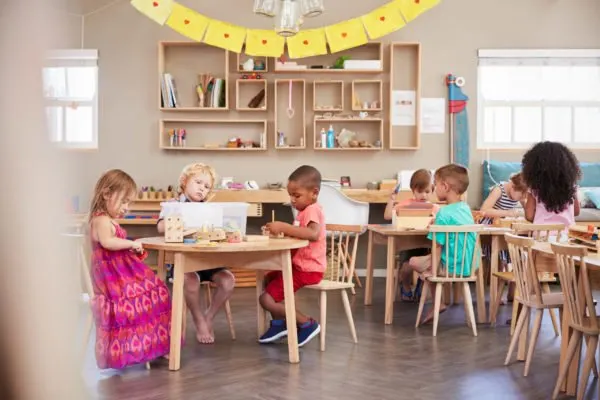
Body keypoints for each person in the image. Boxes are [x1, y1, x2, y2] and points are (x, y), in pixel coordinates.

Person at [89, 169, 171, 369]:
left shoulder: (107, 220)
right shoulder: (100, 220)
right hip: (112, 280)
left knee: (157, 292)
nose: (126, 208)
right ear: (107, 194)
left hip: (118, 274)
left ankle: (152, 345)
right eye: (124, 201)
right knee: (151, 295)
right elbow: (108, 242)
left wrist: (131, 248)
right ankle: (147, 346)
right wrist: (130, 243)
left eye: (129, 203)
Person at [157, 162, 235, 344]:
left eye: (207, 186)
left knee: (228, 280)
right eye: (198, 182)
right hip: (183, 261)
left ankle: (208, 316)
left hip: (208, 260)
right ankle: (199, 318)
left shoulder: (209, 209)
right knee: (189, 280)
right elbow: (160, 227)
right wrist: (173, 221)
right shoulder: (173, 205)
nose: (202, 188)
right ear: (184, 181)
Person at [258, 165, 325, 347]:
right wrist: (281, 233)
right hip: (299, 266)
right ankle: (280, 324)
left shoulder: (312, 210)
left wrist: (284, 227)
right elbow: (300, 235)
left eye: (297, 195)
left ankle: (306, 323)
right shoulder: (303, 212)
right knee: (269, 279)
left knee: (265, 299)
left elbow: (312, 234)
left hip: (308, 269)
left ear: (314, 193)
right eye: (290, 195)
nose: (293, 200)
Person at [401, 164, 476, 324]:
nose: (434, 190)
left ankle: (438, 302)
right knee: (429, 263)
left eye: (436, 185)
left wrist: (433, 273)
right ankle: (437, 300)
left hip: (448, 266)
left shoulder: (443, 213)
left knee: (414, 261)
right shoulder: (466, 209)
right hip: (466, 266)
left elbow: (437, 246)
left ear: (445, 186)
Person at [387, 169, 439, 301]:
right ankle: (404, 284)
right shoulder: (405, 204)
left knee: (427, 265)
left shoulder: (432, 207)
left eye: (427, 192)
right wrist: (391, 199)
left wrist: (435, 217)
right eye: (419, 191)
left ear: (432, 190)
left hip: (426, 243)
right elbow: (387, 216)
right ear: (413, 190)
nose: (423, 195)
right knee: (406, 268)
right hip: (408, 243)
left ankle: (421, 283)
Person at [478, 172, 528, 303]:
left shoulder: (520, 192)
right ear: (512, 186)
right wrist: (507, 212)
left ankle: (513, 293)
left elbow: (528, 211)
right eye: (521, 195)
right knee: (499, 259)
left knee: (519, 256)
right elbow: (484, 210)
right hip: (491, 226)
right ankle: (496, 295)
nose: (521, 199)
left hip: (506, 228)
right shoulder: (499, 189)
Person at [522, 141, 581, 233]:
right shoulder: (571, 187)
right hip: (567, 236)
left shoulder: (534, 189)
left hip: (541, 237)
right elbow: (576, 211)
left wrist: (541, 218)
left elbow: (529, 216)